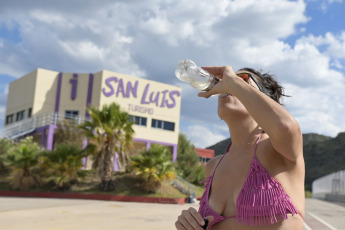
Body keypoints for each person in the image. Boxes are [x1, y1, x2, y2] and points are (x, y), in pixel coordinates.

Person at [175, 65, 305, 230]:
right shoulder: (213, 166)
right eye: (226, 82)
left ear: (263, 100)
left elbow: (285, 126)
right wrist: (190, 224)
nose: (227, 85)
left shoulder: (278, 149)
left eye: (242, 80)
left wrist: (234, 84)